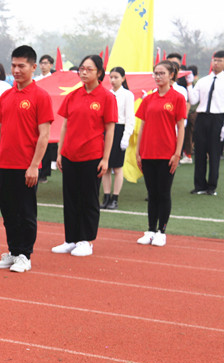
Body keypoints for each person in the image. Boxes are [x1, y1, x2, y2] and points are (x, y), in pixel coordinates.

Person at [0, 46, 53, 273]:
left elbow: (44, 135)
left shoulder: (41, 96)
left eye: (21, 66)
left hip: (26, 166)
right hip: (4, 164)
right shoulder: (6, 96)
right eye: (13, 65)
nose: (16, 70)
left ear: (33, 67)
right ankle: (13, 251)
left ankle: (25, 254)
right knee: (8, 212)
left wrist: (34, 165)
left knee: (26, 212)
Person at [51, 55, 116, 257]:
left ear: (99, 72)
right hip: (70, 154)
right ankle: (70, 238)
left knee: (88, 199)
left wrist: (105, 159)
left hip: (92, 155)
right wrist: (60, 152)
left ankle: (86, 240)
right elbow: (65, 126)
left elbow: (110, 129)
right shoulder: (73, 95)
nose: (84, 72)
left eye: (89, 69)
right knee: (70, 198)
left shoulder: (106, 97)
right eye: (81, 68)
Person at [135, 61, 187, 246]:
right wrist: (138, 151)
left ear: (171, 75)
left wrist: (177, 153)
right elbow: (142, 125)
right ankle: (150, 230)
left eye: (162, 73)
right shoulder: (148, 99)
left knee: (163, 193)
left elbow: (181, 127)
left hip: (167, 153)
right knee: (152, 193)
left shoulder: (177, 98)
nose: (158, 76)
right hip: (148, 153)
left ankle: (161, 232)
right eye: (155, 73)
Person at [188, 50, 224, 196]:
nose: (216, 63)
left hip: (218, 118)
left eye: (219, 61)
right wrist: (189, 84)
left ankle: (212, 186)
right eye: (214, 60)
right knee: (200, 152)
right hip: (202, 118)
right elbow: (193, 100)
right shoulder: (203, 81)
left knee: (215, 154)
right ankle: (199, 185)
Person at [101, 66, 135, 210]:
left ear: (123, 78)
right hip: (106, 130)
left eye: (116, 77)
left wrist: (125, 137)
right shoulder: (106, 93)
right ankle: (106, 196)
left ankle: (115, 198)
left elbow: (129, 118)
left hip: (120, 129)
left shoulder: (127, 95)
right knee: (105, 167)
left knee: (118, 167)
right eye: (111, 77)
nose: (113, 80)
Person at [35, 54, 58, 182]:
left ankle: (44, 173)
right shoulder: (36, 80)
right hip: (37, 113)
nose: (43, 65)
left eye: (46, 63)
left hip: (50, 114)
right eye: (41, 63)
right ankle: (37, 168)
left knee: (48, 143)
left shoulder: (54, 80)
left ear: (51, 65)